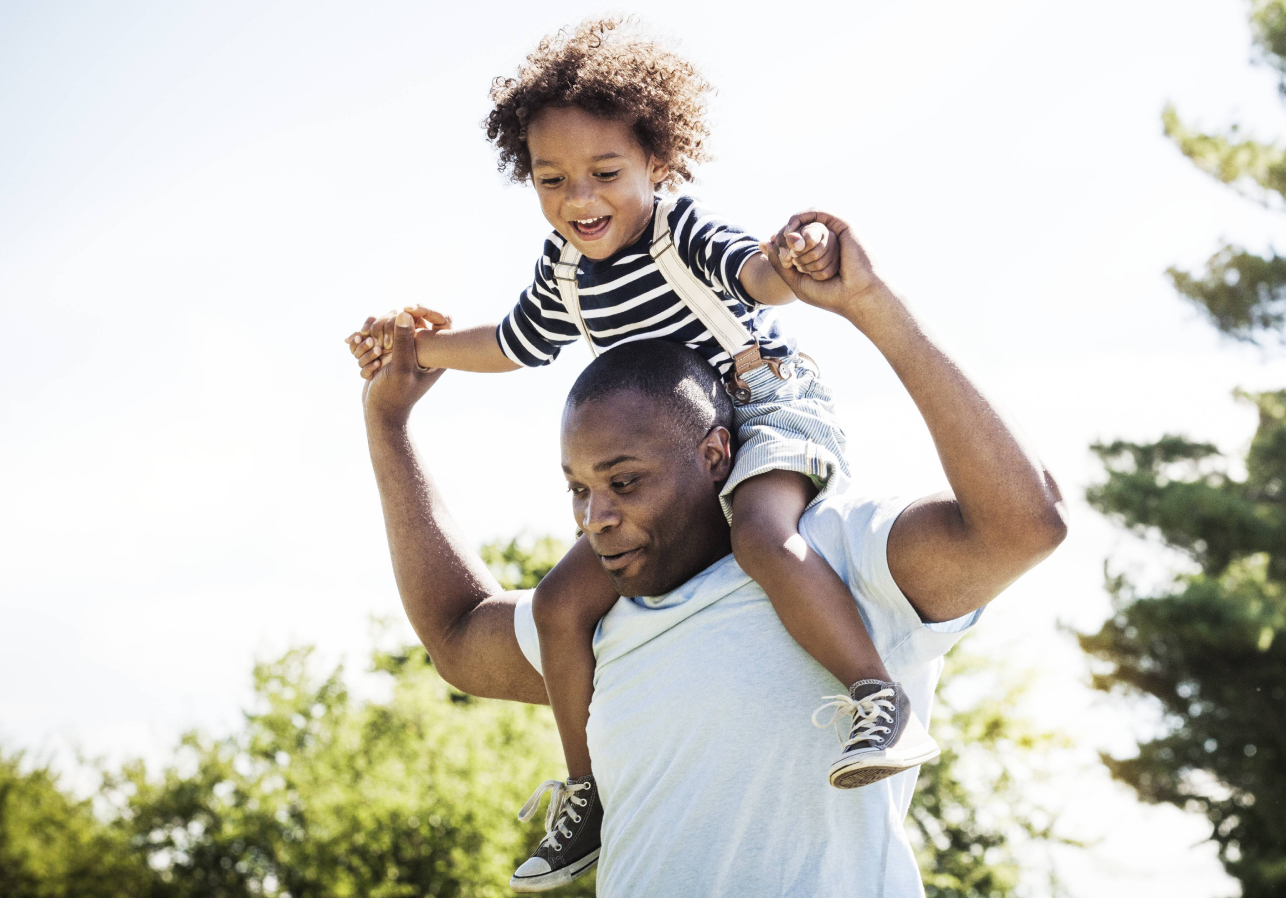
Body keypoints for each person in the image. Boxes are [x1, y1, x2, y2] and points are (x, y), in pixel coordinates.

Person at [350, 16, 928, 890]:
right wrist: (413, 355)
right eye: (551, 179)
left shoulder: (680, 233)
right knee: (555, 605)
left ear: (657, 164)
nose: (578, 197)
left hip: (763, 404)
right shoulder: (566, 271)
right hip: (670, 457)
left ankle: (877, 699)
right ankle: (586, 792)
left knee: (764, 540)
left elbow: (758, 279)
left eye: (604, 173)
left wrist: (795, 259)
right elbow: (512, 343)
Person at [347, 210, 1067, 897]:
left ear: (716, 455)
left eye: (624, 483)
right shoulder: (596, 624)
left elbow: (1024, 523)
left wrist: (871, 304)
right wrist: (388, 421)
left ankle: (875, 697)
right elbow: (456, 633)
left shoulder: (837, 554)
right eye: (578, 490)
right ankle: (582, 793)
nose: (595, 519)